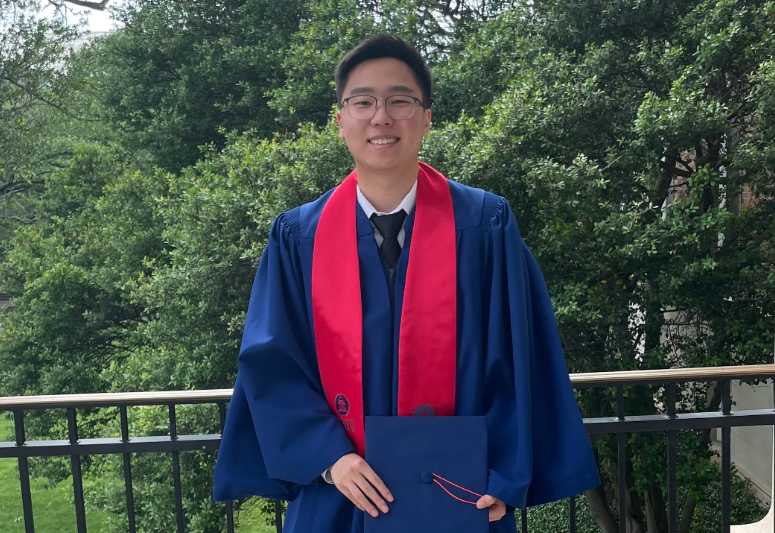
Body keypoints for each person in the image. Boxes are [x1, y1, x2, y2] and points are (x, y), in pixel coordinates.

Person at [213, 34, 600, 532]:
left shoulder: (484, 226)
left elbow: (520, 355)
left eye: (400, 101)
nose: (381, 117)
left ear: (426, 118)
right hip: (340, 496)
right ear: (340, 121)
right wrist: (330, 458)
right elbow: (272, 365)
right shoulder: (298, 238)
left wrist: (505, 477)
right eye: (363, 102)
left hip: (460, 496)